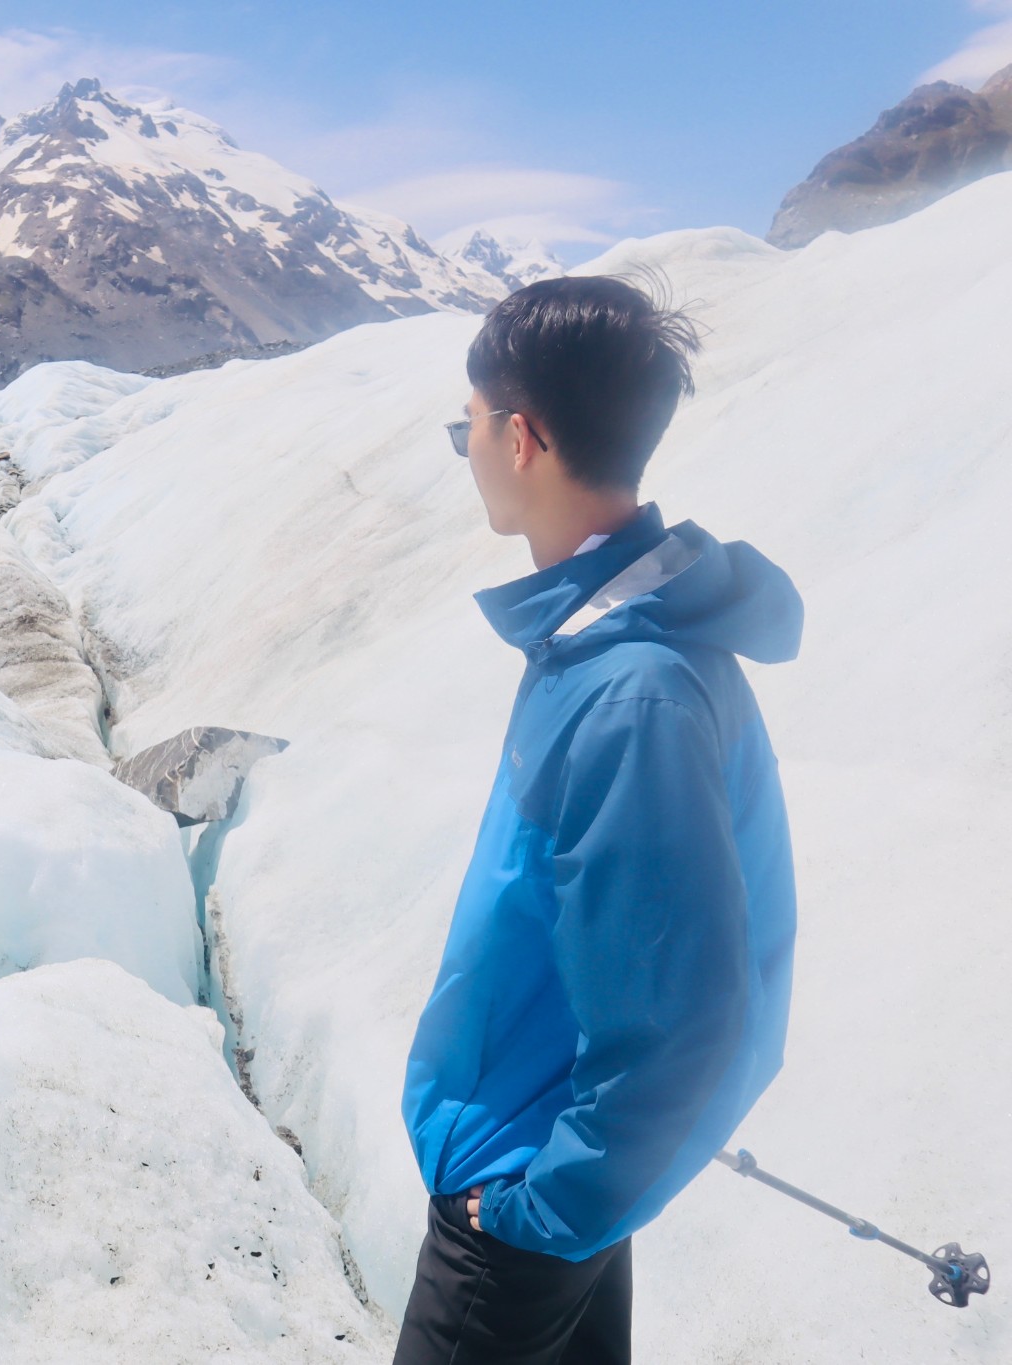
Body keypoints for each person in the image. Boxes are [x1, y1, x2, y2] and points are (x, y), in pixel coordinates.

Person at [395, 276, 801, 1364]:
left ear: (519, 436)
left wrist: (545, 1210)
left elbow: (684, 1013)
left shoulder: (630, 693)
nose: (466, 448)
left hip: (522, 1197)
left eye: (465, 426)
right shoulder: (607, 643)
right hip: (549, 1152)